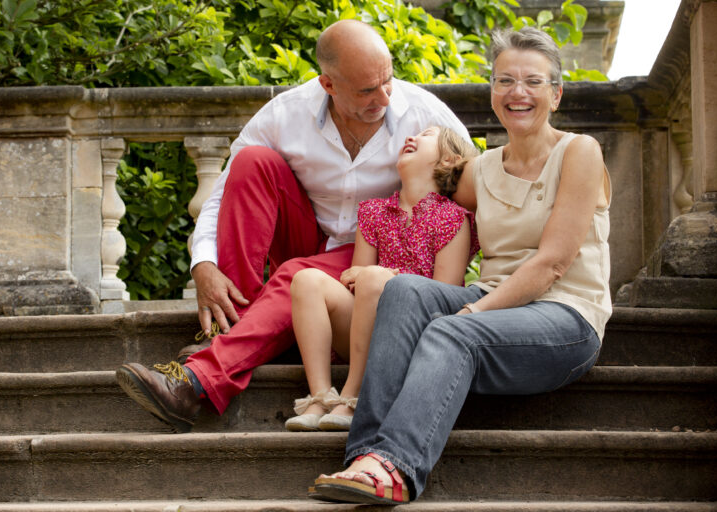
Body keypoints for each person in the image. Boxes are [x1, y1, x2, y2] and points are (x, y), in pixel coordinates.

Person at [114, 19, 470, 433]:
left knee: (297, 275)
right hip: (305, 236)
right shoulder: (287, 113)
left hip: (371, 252)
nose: (385, 97)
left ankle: (195, 380)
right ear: (328, 84)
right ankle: (234, 323)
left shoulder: (426, 116)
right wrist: (204, 263)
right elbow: (224, 192)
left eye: (388, 81)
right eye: (366, 91)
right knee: (251, 164)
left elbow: (471, 186)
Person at [310, 26, 612, 505]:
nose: (518, 92)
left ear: (556, 94)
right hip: (493, 302)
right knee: (404, 290)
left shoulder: (579, 153)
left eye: (533, 82)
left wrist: (473, 313)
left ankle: (396, 465)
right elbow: (420, 188)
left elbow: (553, 264)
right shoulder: (480, 171)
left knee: (454, 331)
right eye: (504, 80)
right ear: (491, 91)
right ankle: (363, 456)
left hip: (565, 317)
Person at [286, 126, 479, 432]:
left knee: (375, 277)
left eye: (426, 135)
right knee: (306, 280)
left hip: (413, 331)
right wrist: (370, 277)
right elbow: (354, 279)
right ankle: (320, 397)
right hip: (366, 322)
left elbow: (445, 293)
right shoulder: (374, 212)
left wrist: (386, 276)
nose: (411, 138)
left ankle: (354, 395)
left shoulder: (453, 218)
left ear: (448, 159)